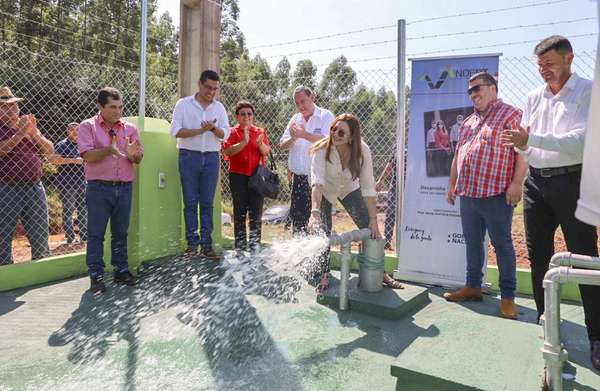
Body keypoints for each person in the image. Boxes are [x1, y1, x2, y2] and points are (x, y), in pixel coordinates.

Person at [501, 35, 600, 368]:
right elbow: (527, 143)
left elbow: (583, 140)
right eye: (539, 65)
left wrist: (532, 140)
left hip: (574, 183)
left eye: (549, 63)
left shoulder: (588, 90)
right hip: (535, 186)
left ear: (569, 58)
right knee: (539, 256)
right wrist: (522, 146)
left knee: (585, 259)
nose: (543, 70)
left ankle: (597, 336)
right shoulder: (533, 96)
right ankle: (547, 322)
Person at [444, 73, 528, 320]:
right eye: (470, 91)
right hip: (468, 194)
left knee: (502, 245)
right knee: (472, 243)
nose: (473, 94)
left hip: (497, 195)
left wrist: (517, 183)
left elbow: (523, 151)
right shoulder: (468, 122)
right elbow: (458, 154)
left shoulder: (511, 114)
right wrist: (452, 184)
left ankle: (508, 298)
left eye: (477, 88)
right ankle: (473, 287)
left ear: (492, 88)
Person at [308, 113, 403, 292]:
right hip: (325, 191)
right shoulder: (322, 149)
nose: (335, 133)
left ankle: (380, 273)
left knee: (371, 230)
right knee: (322, 231)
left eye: (341, 132)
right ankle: (325, 275)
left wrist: (373, 219)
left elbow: (367, 185)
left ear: (352, 136)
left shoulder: (362, 150)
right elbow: (317, 181)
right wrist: (315, 212)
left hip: (349, 188)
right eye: (333, 128)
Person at [78, 87, 143, 293]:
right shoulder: (87, 126)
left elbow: (138, 158)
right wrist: (109, 150)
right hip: (99, 188)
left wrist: (133, 155)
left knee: (120, 233)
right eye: (113, 107)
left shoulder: (130, 128)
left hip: (124, 188)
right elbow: (87, 156)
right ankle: (96, 276)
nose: (118, 111)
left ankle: (121, 270)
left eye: (120, 107)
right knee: (96, 235)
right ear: (100, 107)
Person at [170, 70, 230, 260]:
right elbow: (175, 131)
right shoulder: (183, 104)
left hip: (212, 158)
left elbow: (225, 134)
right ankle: (191, 247)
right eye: (208, 87)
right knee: (190, 203)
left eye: (215, 89)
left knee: (207, 204)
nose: (211, 92)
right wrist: (198, 131)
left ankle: (207, 246)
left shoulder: (219, 108)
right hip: (188, 157)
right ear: (199, 83)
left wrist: (212, 128)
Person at [0, 86, 54, 265]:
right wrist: (20, 134)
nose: (13, 108)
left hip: (35, 187)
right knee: (3, 234)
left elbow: (50, 151)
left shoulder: (27, 126)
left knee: (40, 232)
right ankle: (4, 271)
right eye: (5, 106)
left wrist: (35, 134)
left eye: (14, 104)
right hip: (6, 188)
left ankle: (42, 265)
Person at [280, 86, 334, 235]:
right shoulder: (295, 119)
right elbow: (282, 145)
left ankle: (322, 259)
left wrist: (305, 135)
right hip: (299, 179)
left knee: (320, 224)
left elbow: (331, 141)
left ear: (312, 97)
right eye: (297, 103)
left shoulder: (326, 116)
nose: (300, 106)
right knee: (298, 224)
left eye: (303, 101)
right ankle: (299, 257)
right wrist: (293, 138)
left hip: (319, 181)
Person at [223, 101, 271, 252]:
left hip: (256, 177)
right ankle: (240, 247)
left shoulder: (260, 131)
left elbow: (266, 152)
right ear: (237, 116)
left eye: (249, 114)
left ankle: (255, 247)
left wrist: (260, 144)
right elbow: (228, 152)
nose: (246, 116)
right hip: (238, 177)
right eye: (242, 114)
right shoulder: (232, 132)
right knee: (240, 212)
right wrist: (244, 142)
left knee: (256, 214)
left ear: (253, 116)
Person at [49, 123, 87, 244]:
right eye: (72, 130)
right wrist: (72, 161)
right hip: (67, 183)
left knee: (84, 209)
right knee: (69, 209)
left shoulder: (83, 144)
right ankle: (70, 236)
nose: (75, 132)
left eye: (77, 130)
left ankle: (85, 235)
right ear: (67, 131)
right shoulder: (62, 145)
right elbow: (54, 160)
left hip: (82, 182)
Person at [375, 142, 398, 251]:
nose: (406, 133)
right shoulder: (397, 145)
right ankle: (387, 241)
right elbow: (390, 165)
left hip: (412, 187)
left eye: (408, 131)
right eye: (405, 130)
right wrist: (380, 180)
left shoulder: (417, 143)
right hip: (395, 186)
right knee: (390, 213)